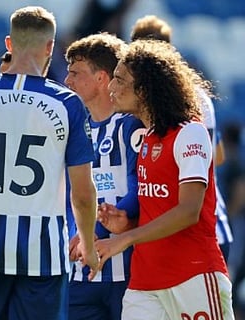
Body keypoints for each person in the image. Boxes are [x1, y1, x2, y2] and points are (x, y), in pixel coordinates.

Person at [0, 6, 99, 320]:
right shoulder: (67, 104)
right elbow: (83, 194)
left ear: (9, 44)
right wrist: (88, 245)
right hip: (43, 255)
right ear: (50, 47)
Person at [95, 39, 233, 319]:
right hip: (145, 281)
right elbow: (159, 208)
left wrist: (127, 238)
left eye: (120, 80)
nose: (111, 87)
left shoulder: (190, 133)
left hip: (193, 273)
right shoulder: (147, 138)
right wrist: (127, 223)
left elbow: (189, 211)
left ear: (144, 90)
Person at [130, 14, 234, 262]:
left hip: (186, 231)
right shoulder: (198, 94)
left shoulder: (149, 101)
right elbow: (217, 156)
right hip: (210, 224)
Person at [64, 32, 145, 320]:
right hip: (81, 274)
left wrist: (99, 228)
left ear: (101, 78)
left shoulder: (131, 126)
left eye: (75, 72)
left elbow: (142, 185)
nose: (67, 81)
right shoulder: (73, 129)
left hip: (129, 270)